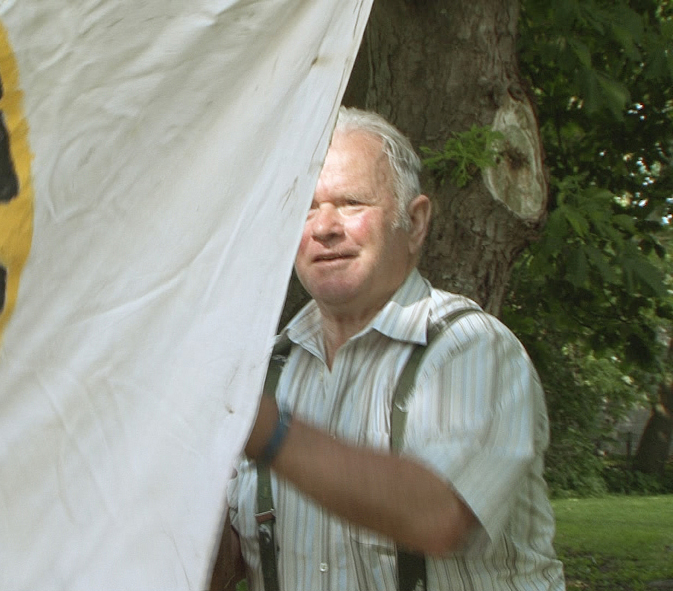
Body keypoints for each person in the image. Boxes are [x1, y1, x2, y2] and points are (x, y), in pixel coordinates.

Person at [212, 107, 565, 591]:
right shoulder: (267, 370)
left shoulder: (474, 349)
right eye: (304, 207)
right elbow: (225, 568)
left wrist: (264, 429)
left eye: (351, 202)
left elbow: (437, 516)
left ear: (415, 222)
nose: (324, 227)